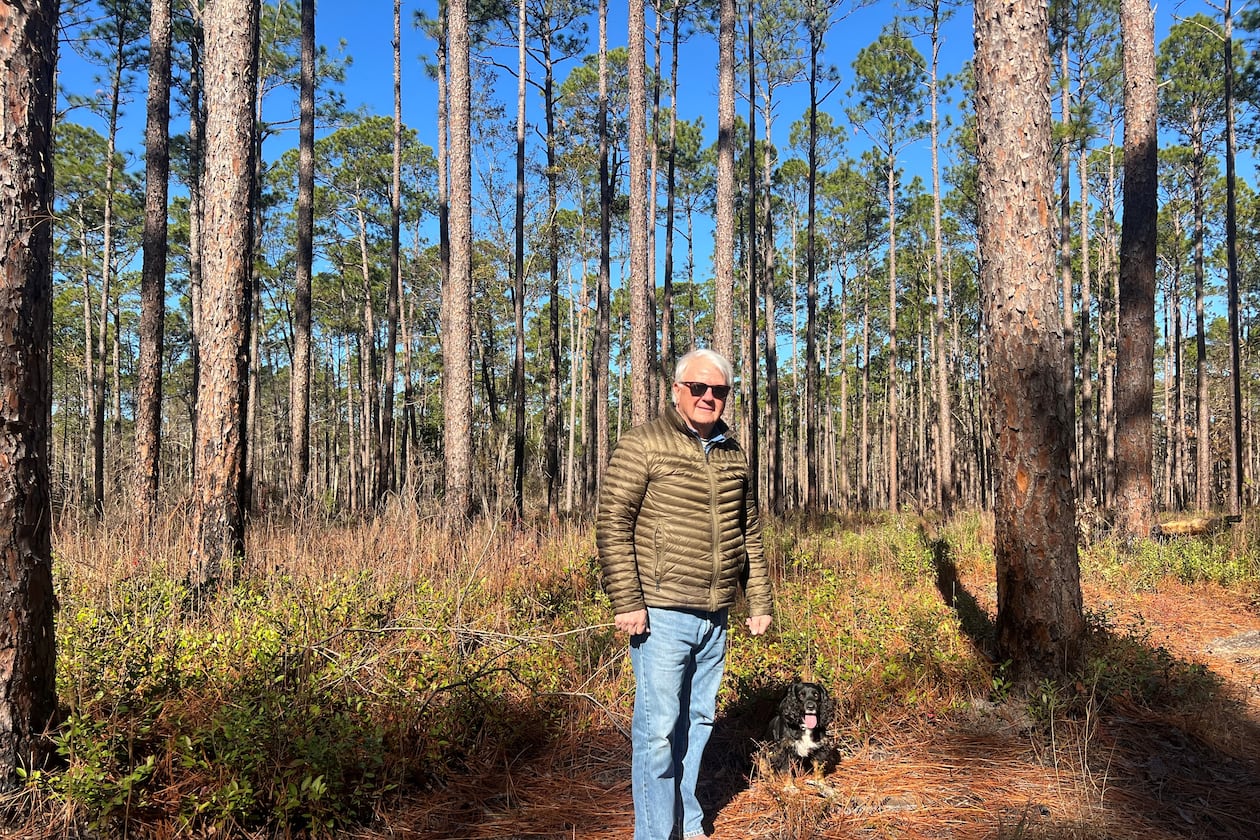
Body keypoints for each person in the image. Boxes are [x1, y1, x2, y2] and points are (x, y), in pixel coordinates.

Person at [597, 348, 773, 840]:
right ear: (677, 391)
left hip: (715, 614)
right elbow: (613, 524)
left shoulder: (734, 453)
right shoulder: (643, 444)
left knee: (698, 724)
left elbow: (749, 531)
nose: (708, 398)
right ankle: (654, 834)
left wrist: (758, 599)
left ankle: (686, 824)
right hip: (660, 611)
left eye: (718, 391)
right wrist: (627, 600)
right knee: (657, 734)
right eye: (698, 388)